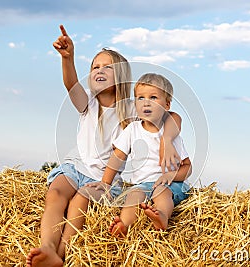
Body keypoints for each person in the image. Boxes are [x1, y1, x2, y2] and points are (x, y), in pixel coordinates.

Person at [26, 25, 183, 267]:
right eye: (95, 67)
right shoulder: (87, 100)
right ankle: (47, 247)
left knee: (80, 200)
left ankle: (61, 254)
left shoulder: (133, 107)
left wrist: (167, 139)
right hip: (75, 166)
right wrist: (68, 59)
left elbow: (173, 117)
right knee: (55, 194)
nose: (99, 70)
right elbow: (70, 85)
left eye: (107, 67)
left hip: (104, 177)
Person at [91, 73, 192, 237]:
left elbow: (188, 167)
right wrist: (105, 182)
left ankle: (162, 217)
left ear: (167, 105)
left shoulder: (171, 135)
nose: (146, 102)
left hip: (171, 185)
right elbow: (118, 156)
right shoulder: (132, 129)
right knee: (134, 195)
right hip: (143, 184)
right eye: (140, 98)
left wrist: (172, 175)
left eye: (153, 97)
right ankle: (124, 225)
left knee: (161, 192)